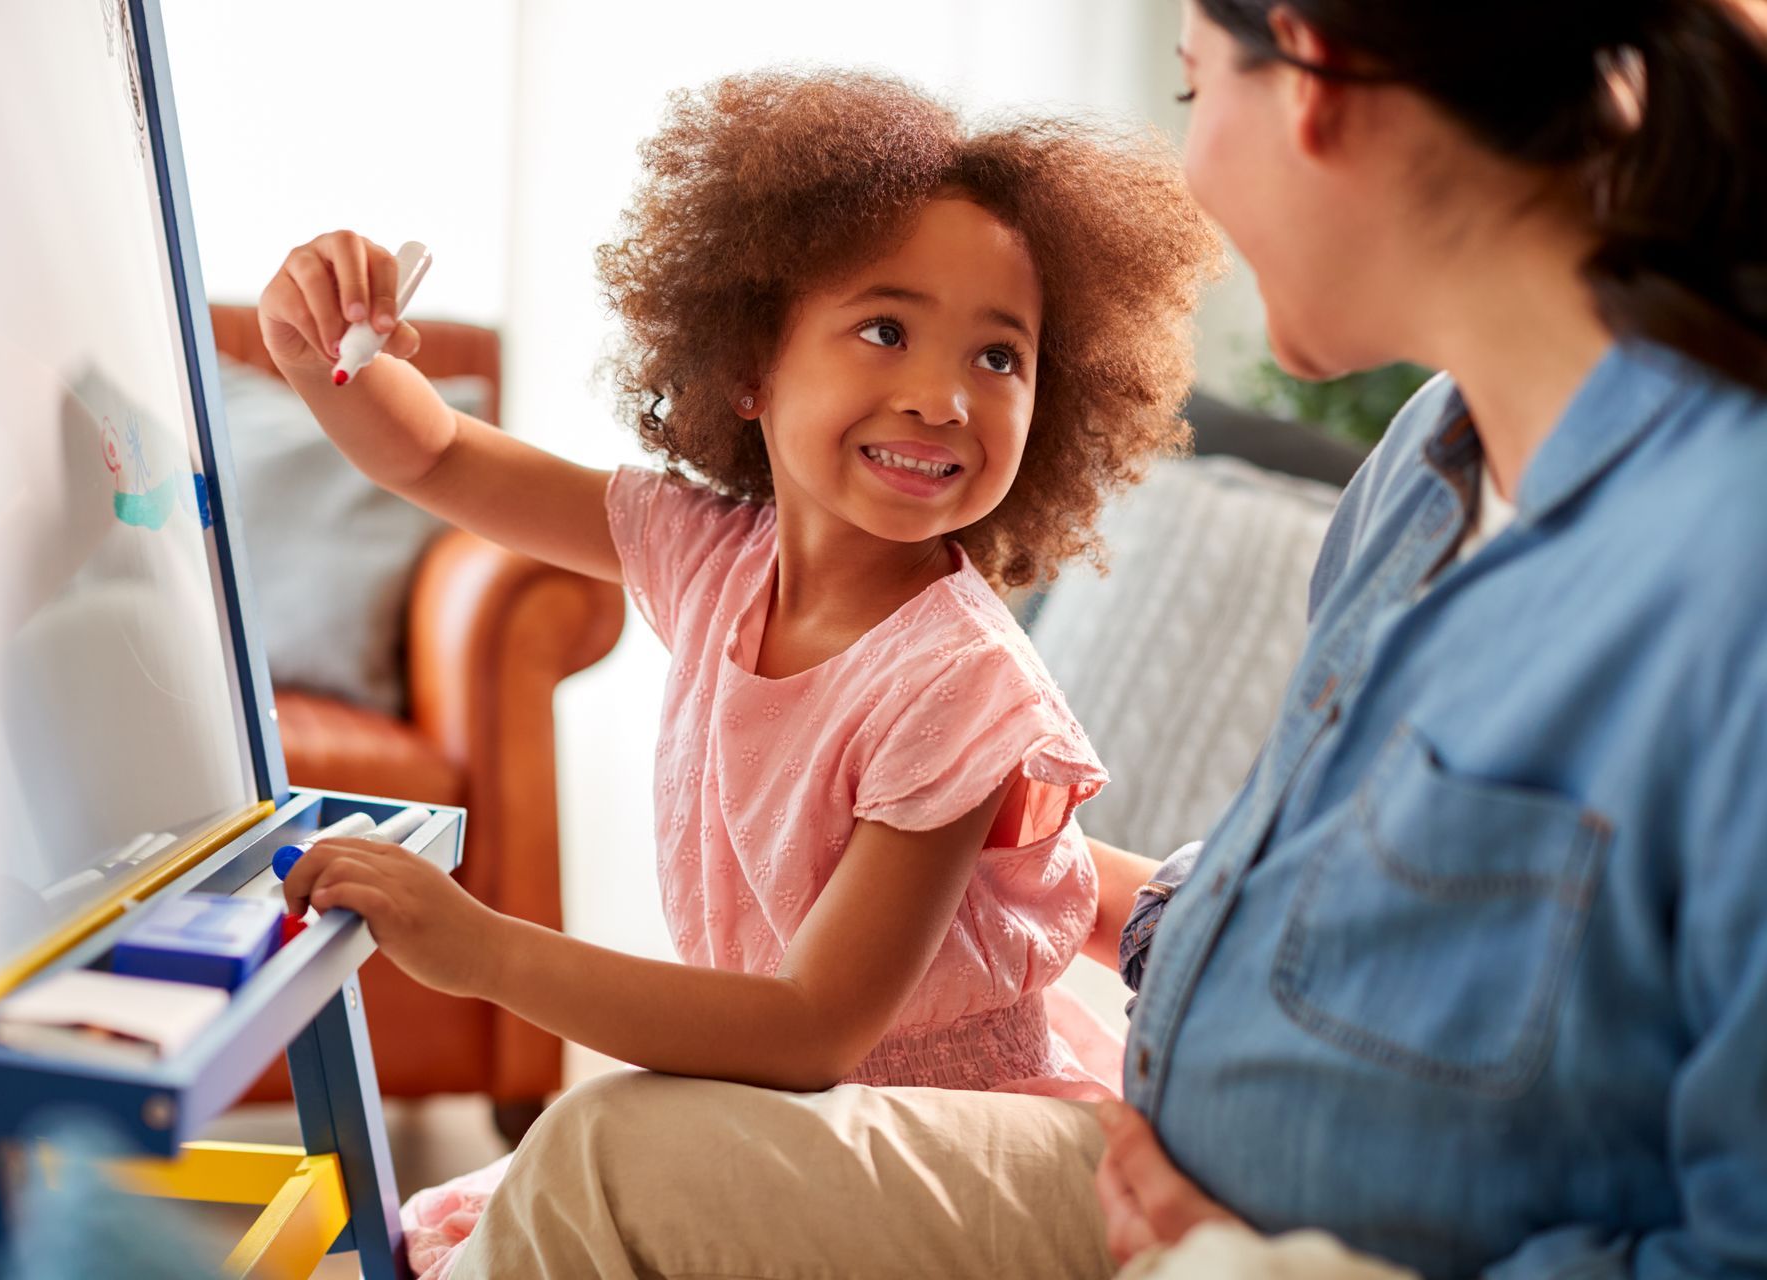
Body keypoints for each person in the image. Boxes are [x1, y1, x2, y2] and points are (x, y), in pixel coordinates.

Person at [418, 1, 1767, 1276]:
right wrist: (1077, 889)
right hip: (1152, 1157)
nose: (1192, 168)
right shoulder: (1424, 475)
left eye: (1190, 85)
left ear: (1305, 81)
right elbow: (1362, 908)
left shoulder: (1723, 585)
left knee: (603, 1162)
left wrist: (1257, 1264)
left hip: (1227, 1235)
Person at [255, 72, 1220, 1278]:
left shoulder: (963, 684)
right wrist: (321, 351)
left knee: (579, 1168)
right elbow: (440, 451)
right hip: (788, 1107)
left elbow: (814, 1028)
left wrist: (483, 948)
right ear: (751, 365)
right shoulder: (711, 552)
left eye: (1000, 355)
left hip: (929, 1137)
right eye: (886, 329)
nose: (942, 396)